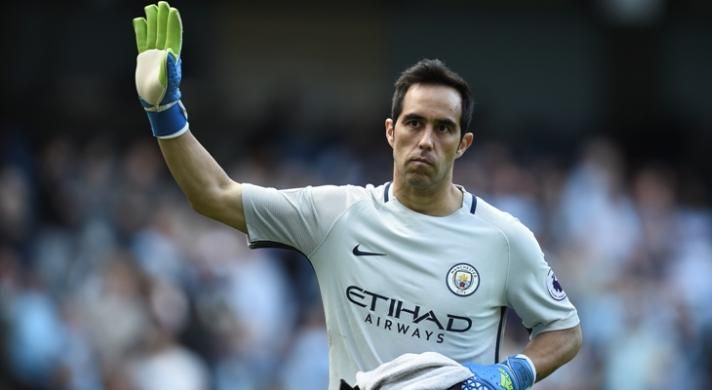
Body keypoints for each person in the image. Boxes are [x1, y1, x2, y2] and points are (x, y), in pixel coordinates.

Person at [132, 2, 582, 389]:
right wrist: (164, 111)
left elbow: (564, 331)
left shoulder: (503, 239)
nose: (426, 139)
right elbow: (213, 194)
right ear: (391, 132)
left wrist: (510, 375)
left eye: (444, 128)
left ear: (463, 144)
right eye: (414, 123)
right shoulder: (336, 215)